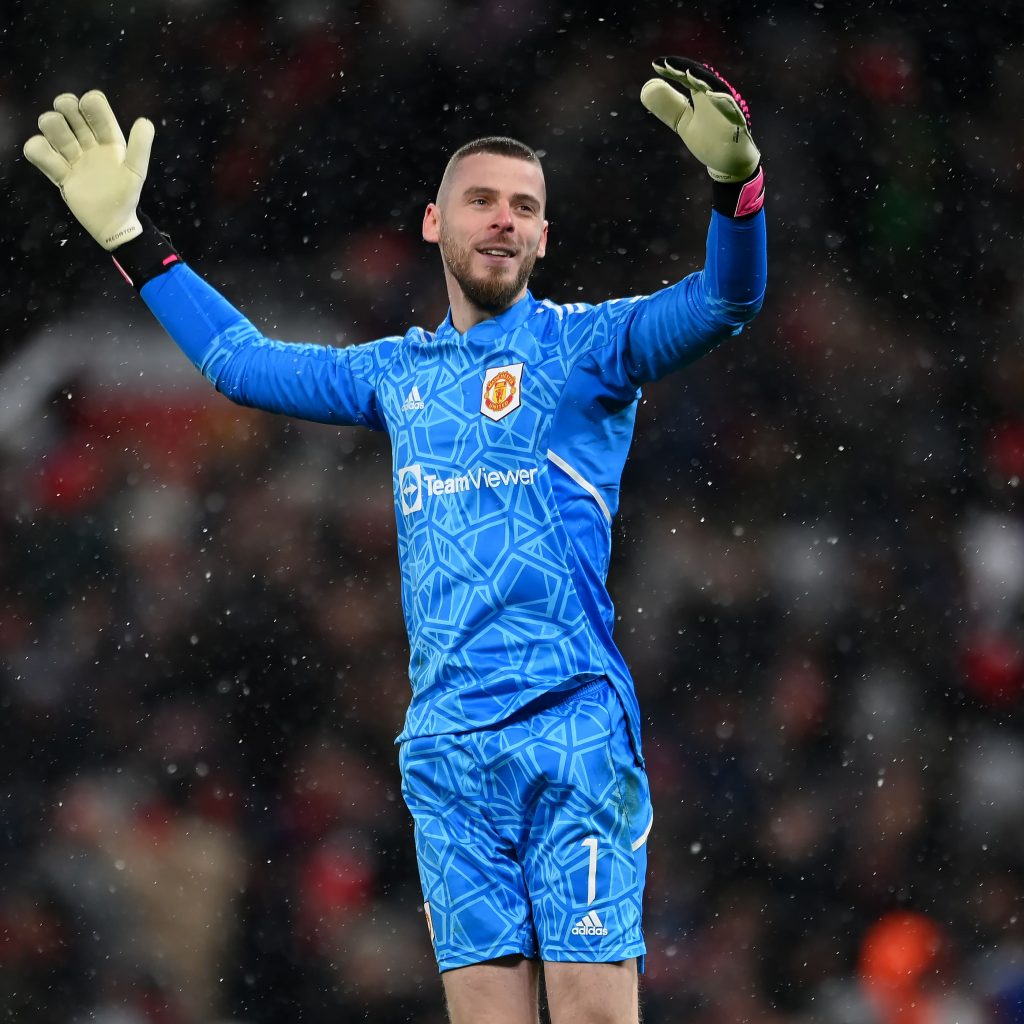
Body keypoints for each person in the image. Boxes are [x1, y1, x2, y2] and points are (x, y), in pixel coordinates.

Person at [24, 56, 767, 1024]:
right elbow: (240, 364)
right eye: (480, 200)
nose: (502, 219)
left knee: (592, 1013)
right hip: (448, 748)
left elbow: (723, 301)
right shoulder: (397, 375)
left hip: (568, 726)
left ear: (544, 236)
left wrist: (736, 186)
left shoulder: (588, 347)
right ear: (433, 223)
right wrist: (132, 237)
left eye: (524, 207)